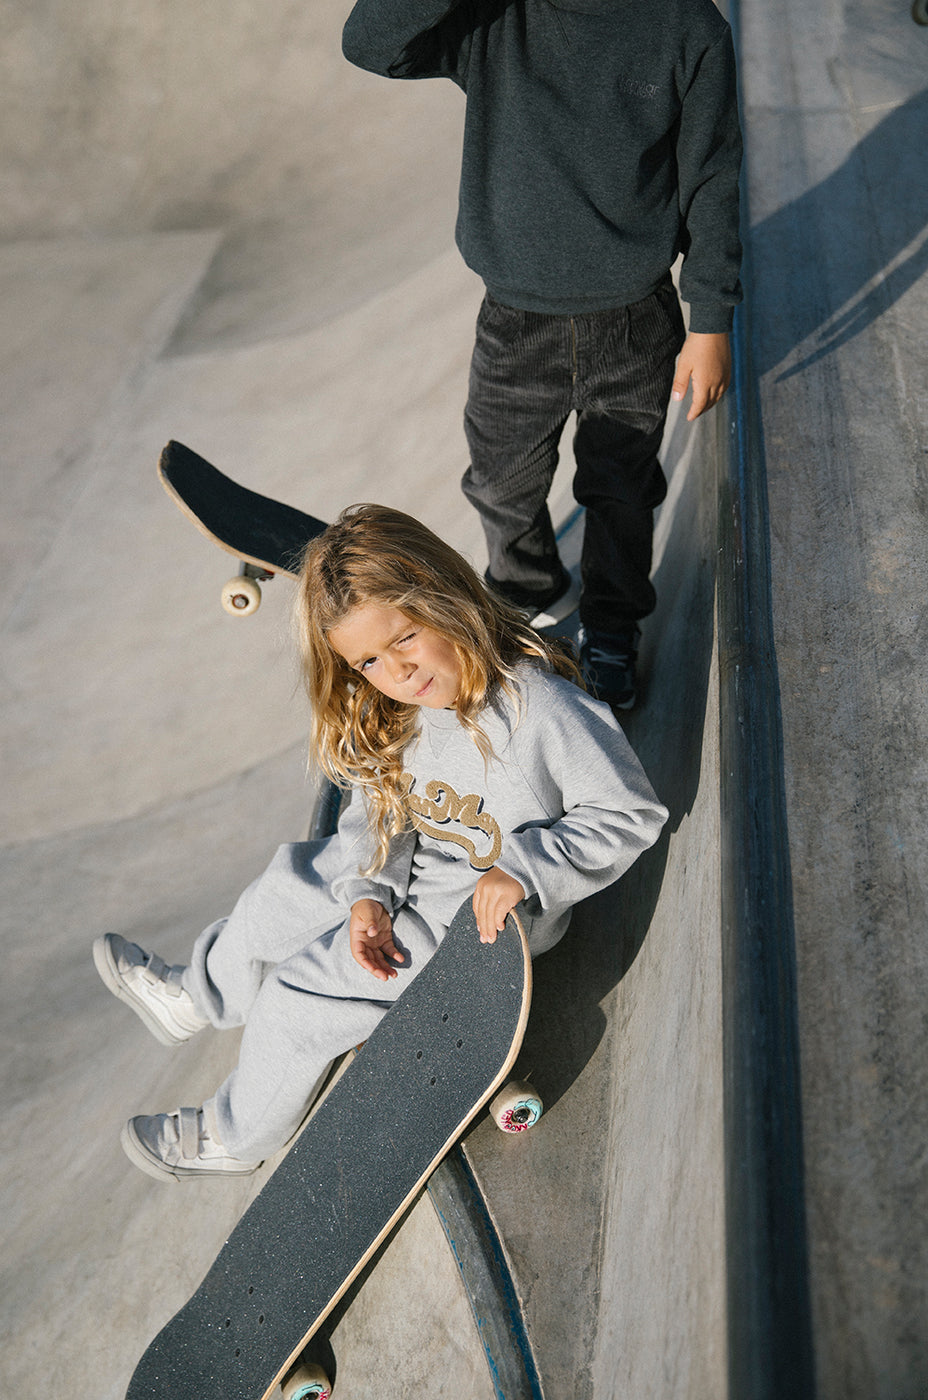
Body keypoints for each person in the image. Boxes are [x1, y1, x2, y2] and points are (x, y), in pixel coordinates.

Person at [94, 505, 667, 1181]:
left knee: (297, 999)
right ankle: (198, 993)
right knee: (300, 879)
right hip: (414, 881)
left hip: (477, 924)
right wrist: (367, 896)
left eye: (405, 638)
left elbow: (629, 812)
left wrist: (526, 868)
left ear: (446, 600)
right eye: (368, 661)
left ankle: (231, 1137)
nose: (397, 671)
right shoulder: (407, 710)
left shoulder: (539, 710)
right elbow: (382, 810)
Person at [341, 0, 743, 708]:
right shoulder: (495, 21)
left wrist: (709, 322)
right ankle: (526, 589)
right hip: (515, 323)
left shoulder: (686, 28)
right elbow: (373, 45)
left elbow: (713, 177)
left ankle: (613, 628)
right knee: (500, 481)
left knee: (620, 490)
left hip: (635, 321)